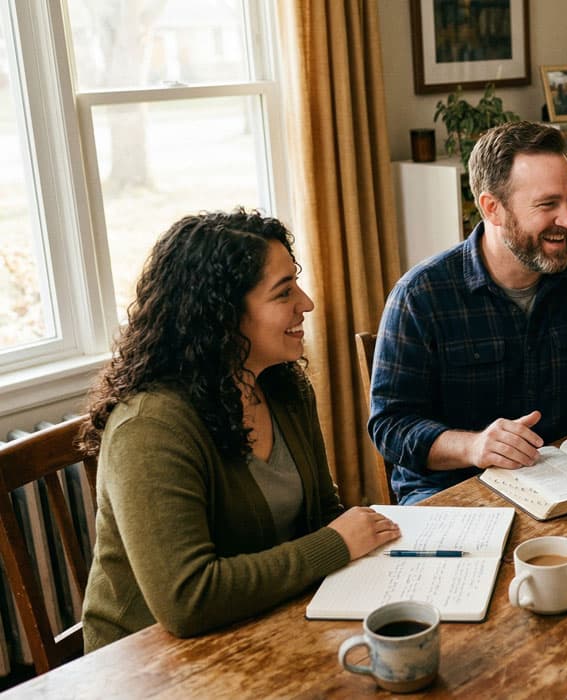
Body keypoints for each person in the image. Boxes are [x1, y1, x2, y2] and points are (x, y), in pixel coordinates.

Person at [79, 210, 401, 651]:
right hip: (147, 662)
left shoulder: (283, 386)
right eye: (283, 292)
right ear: (222, 315)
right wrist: (335, 544)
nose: (306, 304)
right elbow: (188, 599)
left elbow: (322, 513)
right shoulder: (150, 427)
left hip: (260, 624)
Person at [369, 120, 567, 505]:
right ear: (493, 208)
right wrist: (474, 446)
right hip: (450, 492)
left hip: (564, 481)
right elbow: (391, 426)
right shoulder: (420, 296)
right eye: (548, 204)